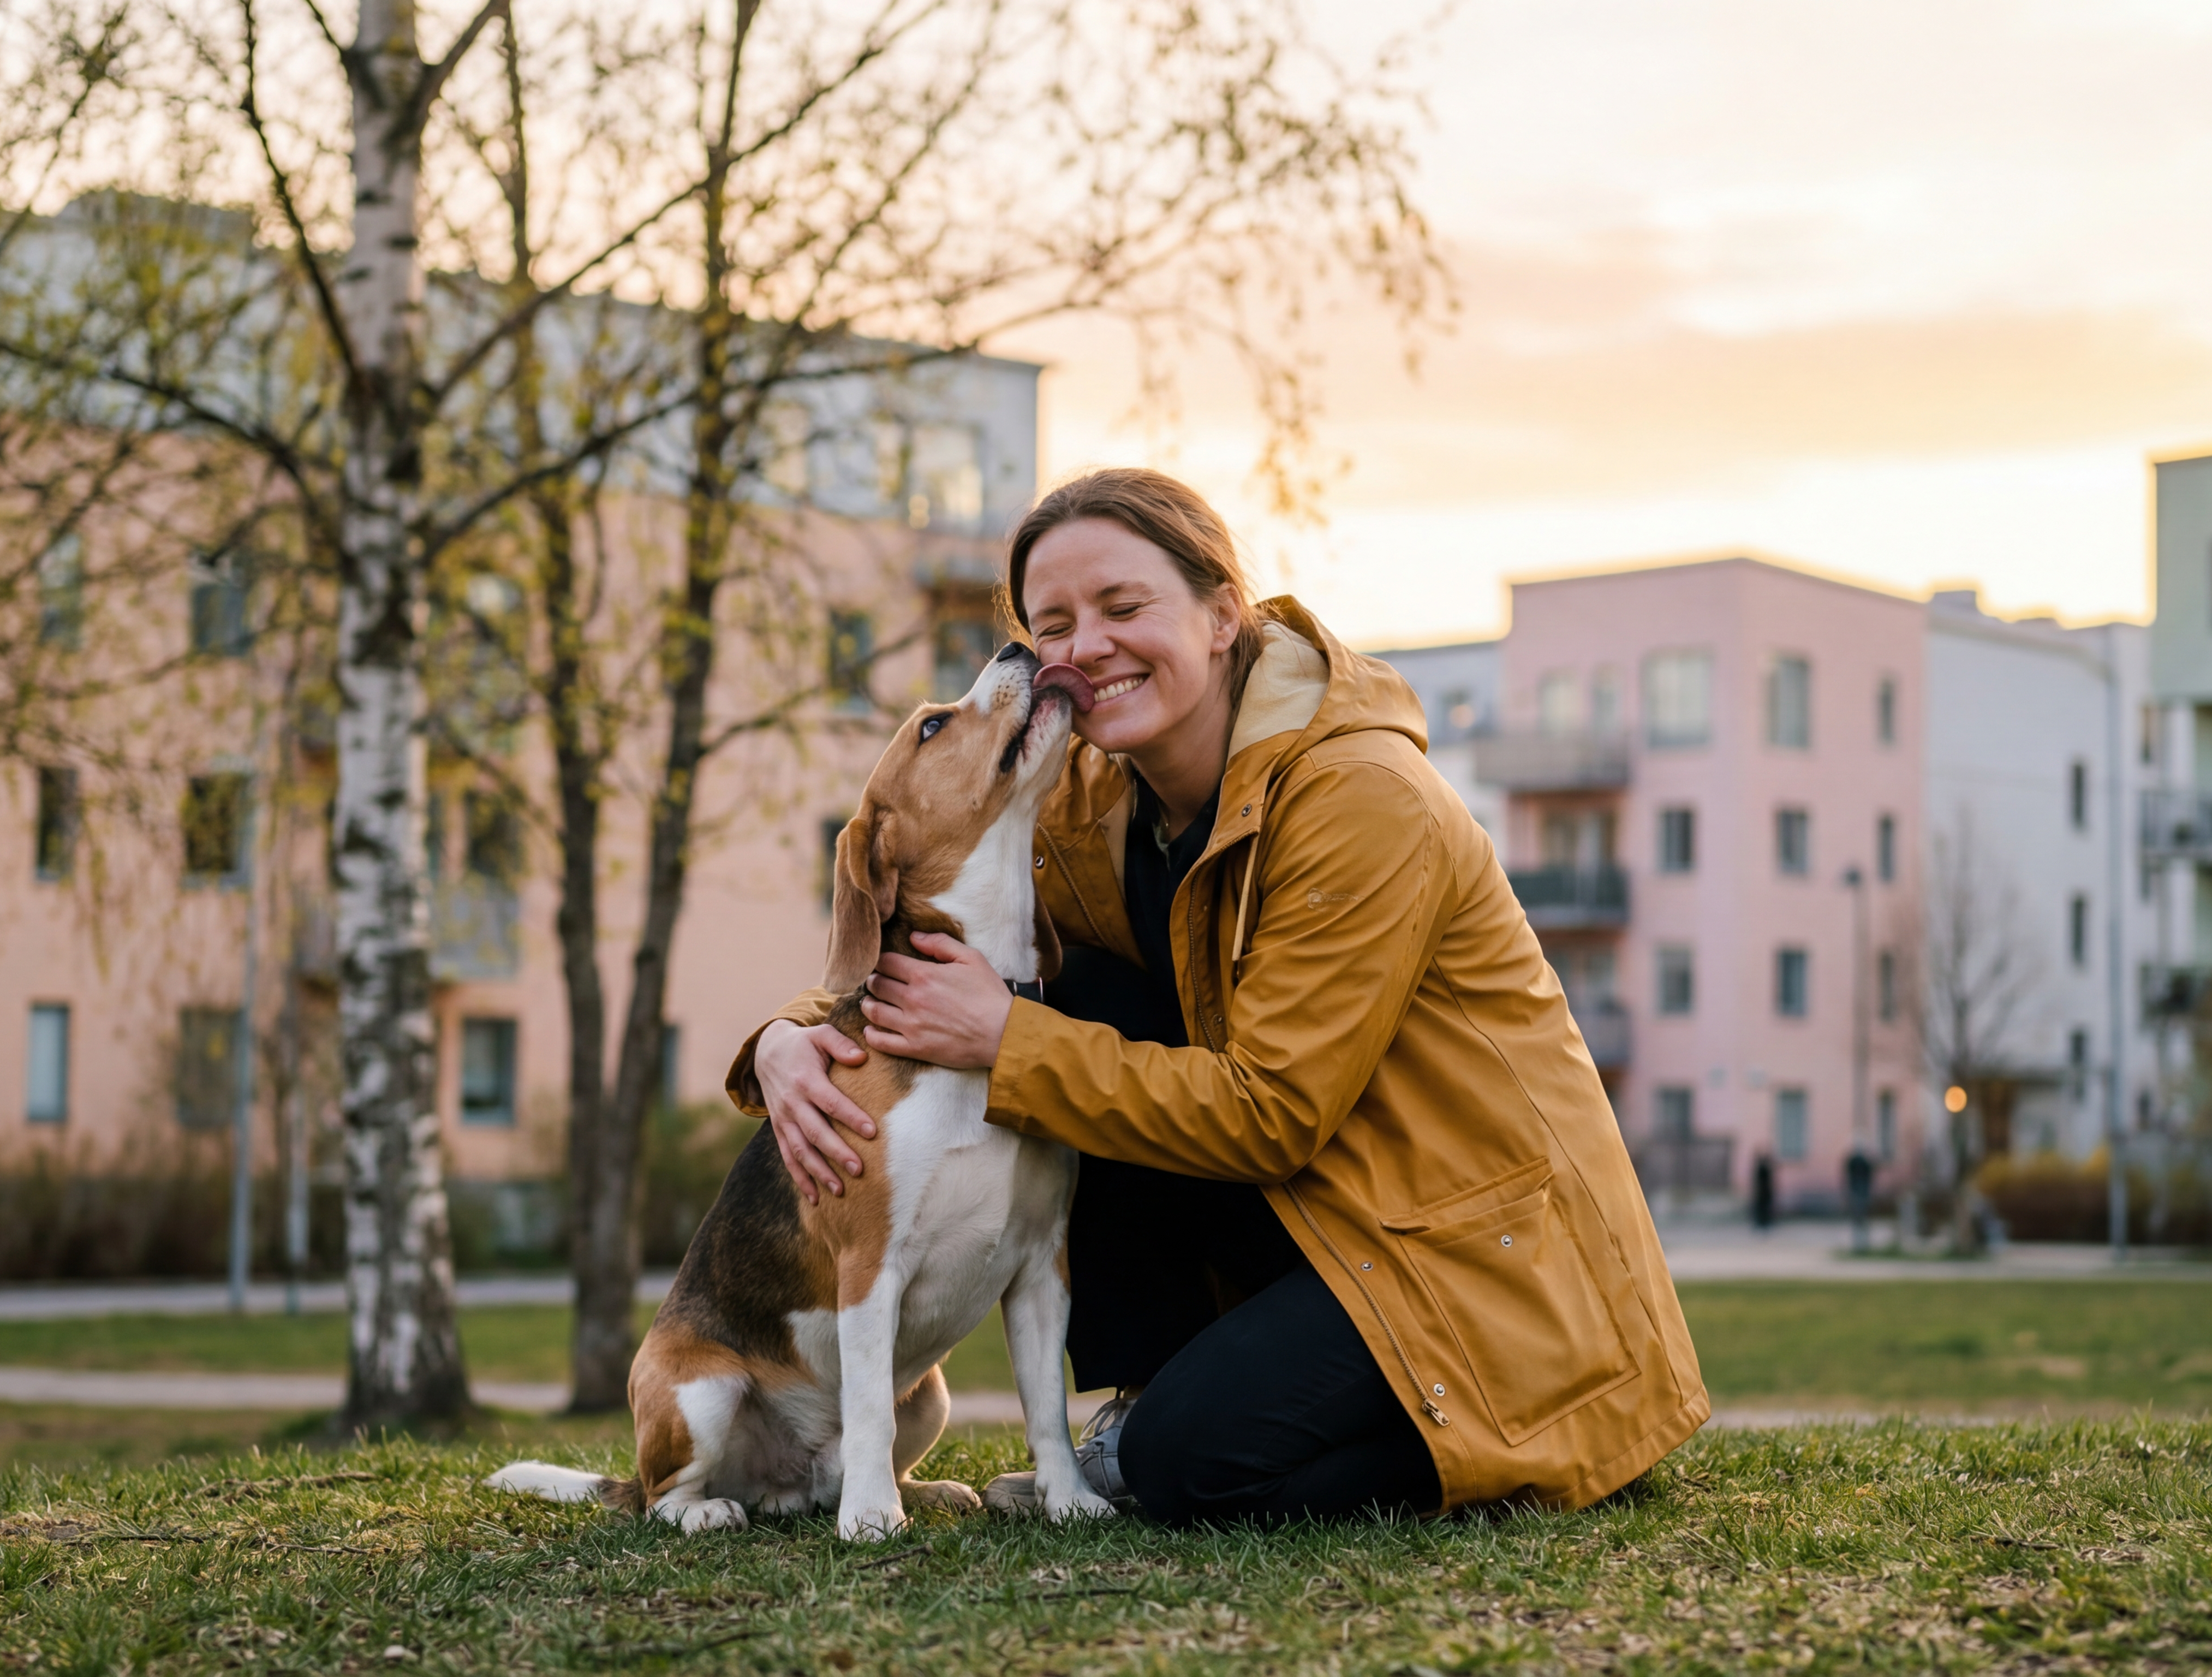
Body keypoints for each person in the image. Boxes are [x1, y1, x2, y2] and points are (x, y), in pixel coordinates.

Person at [730, 468, 1706, 1524]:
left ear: (1223, 611)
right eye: (1052, 623)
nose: (1083, 648)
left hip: (1478, 1262)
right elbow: (940, 925)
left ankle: (1541, 1427)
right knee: (1079, 988)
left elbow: (1274, 1113)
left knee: (1197, 1469)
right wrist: (783, 1041)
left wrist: (1013, 1041)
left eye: (1123, 607)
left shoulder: (1359, 799)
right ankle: (1150, 1410)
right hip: (1328, 1221)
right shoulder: (1094, 794)